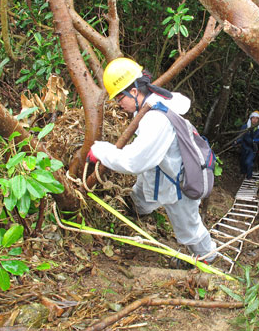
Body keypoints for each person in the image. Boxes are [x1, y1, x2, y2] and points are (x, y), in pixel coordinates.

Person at [87, 57, 217, 264]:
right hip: (161, 173)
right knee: (141, 195)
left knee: (188, 228)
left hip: (179, 185)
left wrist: (101, 151)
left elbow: (135, 161)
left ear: (135, 91)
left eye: (120, 99)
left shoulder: (156, 119)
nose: (119, 105)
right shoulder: (152, 103)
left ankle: (208, 258)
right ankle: (137, 212)